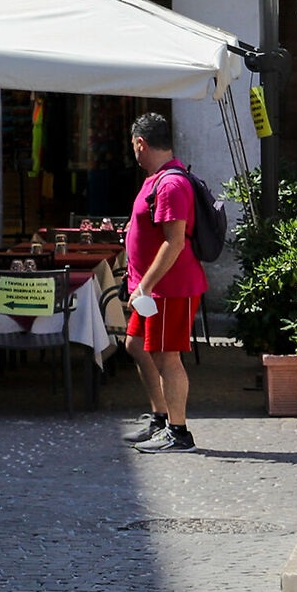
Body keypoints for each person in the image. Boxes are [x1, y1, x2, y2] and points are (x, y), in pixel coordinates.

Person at [121, 113, 207, 454]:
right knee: (135, 345)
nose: (134, 153)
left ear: (141, 143)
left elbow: (175, 242)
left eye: (134, 147)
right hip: (153, 288)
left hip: (170, 288)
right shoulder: (156, 179)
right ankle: (160, 418)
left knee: (167, 358)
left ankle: (179, 432)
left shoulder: (171, 183)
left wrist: (144, 286)